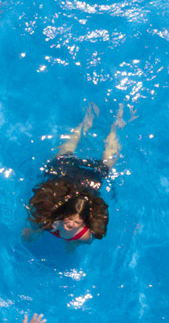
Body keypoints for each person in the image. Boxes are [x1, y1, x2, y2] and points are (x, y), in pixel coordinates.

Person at [25, 103, 131, 243]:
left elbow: (79, 242)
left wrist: (72, 245)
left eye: (77, 223)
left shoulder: (83, 235)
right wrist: (32, 231)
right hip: (83, 181)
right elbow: (35, 222)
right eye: (69, 220)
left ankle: (115, 127)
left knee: (65, 157)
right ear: (62, 214)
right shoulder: (48, 220)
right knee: (103, 166)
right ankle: (86, 121)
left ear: (84, 223)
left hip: (71, 178)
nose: (71, 225)